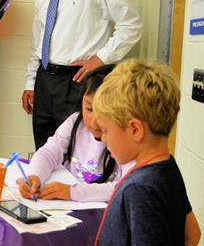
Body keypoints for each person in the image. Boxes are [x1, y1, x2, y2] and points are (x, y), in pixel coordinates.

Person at [22, 0, 142, 150]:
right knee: (44, 149)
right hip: (45, 81)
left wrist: (101, 59)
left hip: (78, 82)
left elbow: (132, 23)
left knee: (77, 150)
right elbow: (38, 41)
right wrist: (30, 82)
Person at [91, 60, 201, 246]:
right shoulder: (168, 167)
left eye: (106, 130)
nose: (103, 139)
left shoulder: (139, 190)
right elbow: (193, 233)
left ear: (135, 130)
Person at [18, 64, 134, 202]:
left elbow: (126, 187)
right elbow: (49, 152)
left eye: (104, 111)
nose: (95, 120)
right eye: (89, 108)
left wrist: (72, 192)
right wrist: (34, 175)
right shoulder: (75, 123)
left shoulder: (126, 140)